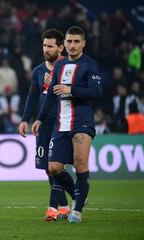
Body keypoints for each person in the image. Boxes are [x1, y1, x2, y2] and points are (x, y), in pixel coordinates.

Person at [32, 26, 102, 223]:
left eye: (76, 41)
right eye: (70, 41)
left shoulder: (90, 65)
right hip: (60, 124)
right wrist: (39, 118)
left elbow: (97, 92)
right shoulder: (60, 67)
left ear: (83, 44)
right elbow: (51, 97)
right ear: (65, 45)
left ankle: (77, 210)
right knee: (53, 168)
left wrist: (70, 89)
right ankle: (78, 194)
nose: (72, 45)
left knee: (80, 164)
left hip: (82, 123)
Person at [18, 28, 75, 221]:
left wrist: (55, 85)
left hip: (62, 123)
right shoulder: (38, 72)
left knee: (55, 166)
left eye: (50, 46)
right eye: (44, 45)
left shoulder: (69, 68)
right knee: (46, 167)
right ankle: (68, 203)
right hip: (43, 125)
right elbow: (32, 97)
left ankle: (53, 208)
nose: (46, 49)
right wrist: (26, 119)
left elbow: (75, 95)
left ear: (61, 47)